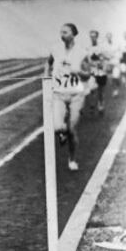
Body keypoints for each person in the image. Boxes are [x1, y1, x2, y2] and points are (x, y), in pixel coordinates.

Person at [46, 23, 90, 171]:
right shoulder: (55, 49)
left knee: (72, 130)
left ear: (73, 34)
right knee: (58, 127)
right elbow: (48, 63)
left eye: (65, 32)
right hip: (58, 93)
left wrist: (78, 71)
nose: (62, 35)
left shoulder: (82, 52)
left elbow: (88, 73)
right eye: (61, 32)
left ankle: (72, 159)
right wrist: (46, 78)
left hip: (76, 94)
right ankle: (62, 133)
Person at [86, 30, 108, 113]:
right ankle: (92, 104)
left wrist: (101, 60)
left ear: (97, 37)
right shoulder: (88, 48)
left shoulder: (101, 47)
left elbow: (106, 57)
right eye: (91, 36)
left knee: (101, 90)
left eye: (94, 36)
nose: (92, 38)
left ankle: (101, 104)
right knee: (91, 88)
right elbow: (87, 59)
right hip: (92, 71)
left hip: (101, 72)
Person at [104, 32, 121, 97]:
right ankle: (115, 90)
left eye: (110, 36)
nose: (109, 37)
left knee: (116, 77)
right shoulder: (104, 45)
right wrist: (107, 56)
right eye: (107, 36)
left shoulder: (116, 44)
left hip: (116, 63)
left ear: (111, 37)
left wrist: (115, 56)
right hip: (108, 63)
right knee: (110, 79)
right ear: (106, 37)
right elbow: (103, 54)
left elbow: (119, 53)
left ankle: (116, 88)